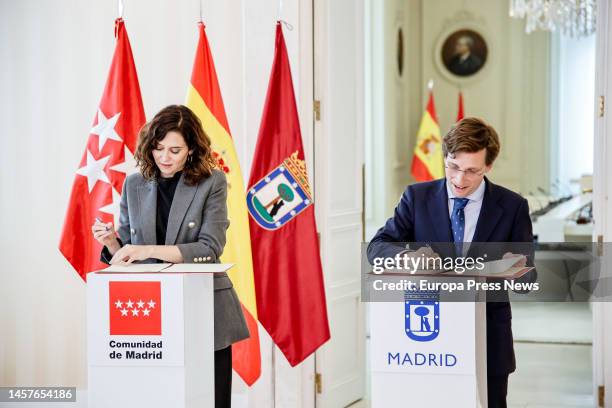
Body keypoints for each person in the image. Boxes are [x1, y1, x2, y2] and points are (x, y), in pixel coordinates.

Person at [367, 117, 534, 408]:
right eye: (453, 167)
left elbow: (527, 282)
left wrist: (516, 270)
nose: (459, 180)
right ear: (444, 157)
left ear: (489, 167)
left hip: (488, 339)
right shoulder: (416, 198)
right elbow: (377, 247)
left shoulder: (513, 206)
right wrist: (408, 257)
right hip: (428, 341)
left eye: (472, 171)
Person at [91, 104, 249, 408]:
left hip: (204, 306)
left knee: (211, 399)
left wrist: (148, 250)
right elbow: (126, 252)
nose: (164, 157)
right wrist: (113, 242)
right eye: (158, 148)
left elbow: (210, 248)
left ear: (191, 149)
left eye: (175, 150)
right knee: (157, 396)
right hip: (152, 310)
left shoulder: (211, 182)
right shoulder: (134, 184)